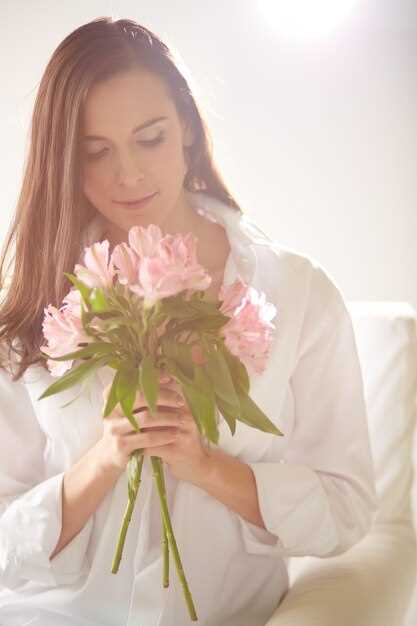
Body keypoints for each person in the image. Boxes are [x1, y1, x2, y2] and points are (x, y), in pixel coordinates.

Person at [0, 16, 378, 626]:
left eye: (150, 138)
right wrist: (103, 459)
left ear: (189, 133)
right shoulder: (31, 305)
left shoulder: (298, 294)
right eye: (95, 152)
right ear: (64, 162)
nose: (128, 174)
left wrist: (206, 466)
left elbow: (348, 508)